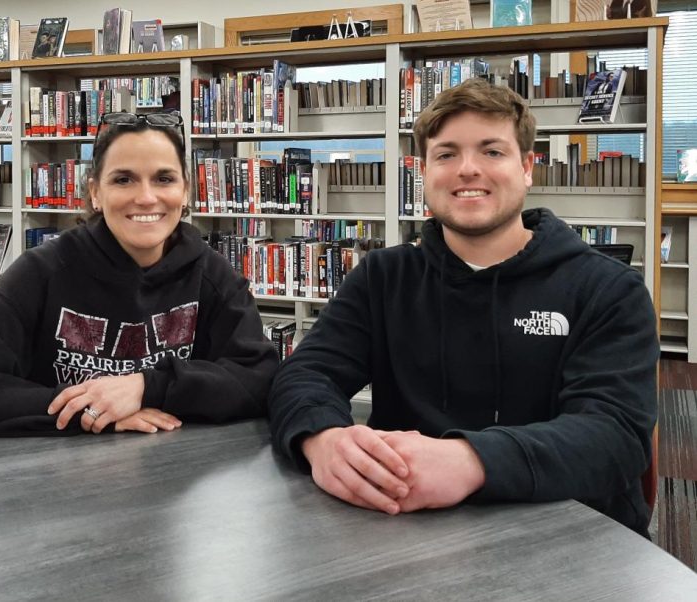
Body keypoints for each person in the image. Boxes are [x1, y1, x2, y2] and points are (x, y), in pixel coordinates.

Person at [268, 78, 658, 536]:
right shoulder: (383, 277)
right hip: (403, 533)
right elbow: (305, 374)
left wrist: (471, 461)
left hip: (568, 537)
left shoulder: (608, 289)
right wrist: (322, 438)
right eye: (447, 154)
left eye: (492, 151)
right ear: (424, 171)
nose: (467, 169)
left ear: (528, 167)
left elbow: (615, 434)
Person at [0, 111, 278, 436]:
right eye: (123, 180)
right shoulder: (40, 273)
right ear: (95, 192)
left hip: (173, 476)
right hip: (56, 481)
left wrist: (145, 387)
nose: (147, 197)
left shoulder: (211, 274)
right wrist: (94, 411)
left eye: (164, 179)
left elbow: (259, 378)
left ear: (185, 191)